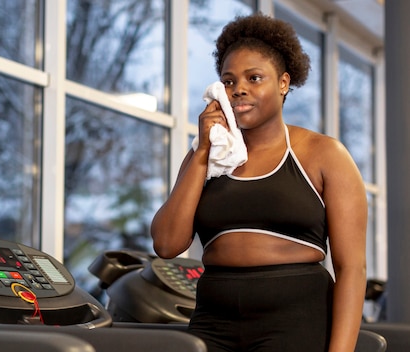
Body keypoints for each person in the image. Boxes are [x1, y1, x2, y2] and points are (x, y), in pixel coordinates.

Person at [150, 13, 367, 352]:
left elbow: (351, 268)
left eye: (254, 78)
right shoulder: (204, 157)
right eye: (230, 81)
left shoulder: (324, 155)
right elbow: (166, 244)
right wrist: (204, 150)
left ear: (283, 83)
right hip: (213, 319)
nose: (240, 90)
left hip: (296, 320)